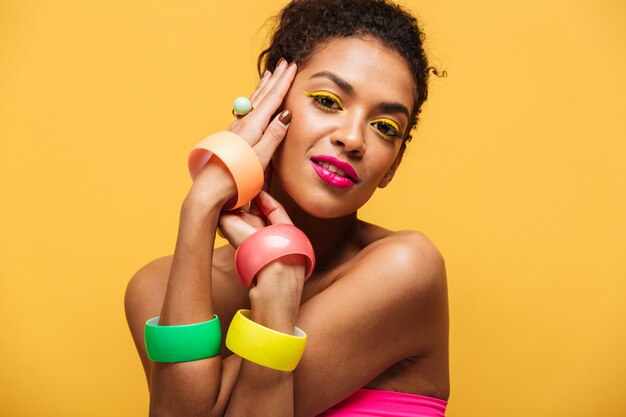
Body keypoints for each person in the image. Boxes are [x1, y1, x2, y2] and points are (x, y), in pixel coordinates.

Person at [124, 0, 449, 415]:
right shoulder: (156, 287)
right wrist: (200, 206)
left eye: (384, 127)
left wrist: (276, 299)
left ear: (393, 165)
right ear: (269, 102)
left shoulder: (406, 270)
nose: (353, 139)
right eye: (329, 101)